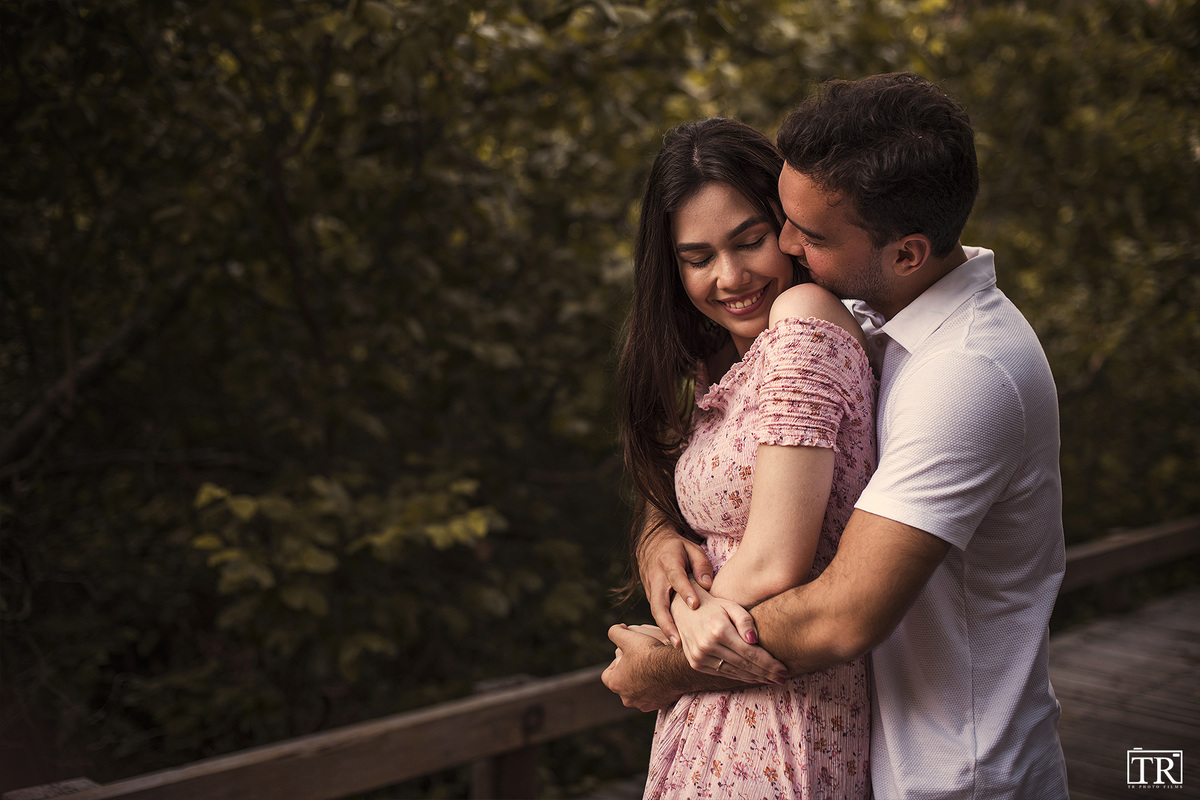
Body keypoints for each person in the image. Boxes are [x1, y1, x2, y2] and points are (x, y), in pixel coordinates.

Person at [603, 73, 1071, 800]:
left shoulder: (964, 372)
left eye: (804, 233)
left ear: (907, 253)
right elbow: (732, 461)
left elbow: (843, 614)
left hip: (955, 774)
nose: (787, 245)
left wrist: (658, 667)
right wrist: (659, 532)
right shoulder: (884, 317)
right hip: (864, 747)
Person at [613, 117, 877, 798]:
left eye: (749, 241)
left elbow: (775, 560)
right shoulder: (726, 361)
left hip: (782, 705)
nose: (729, 277)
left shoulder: (803, 318)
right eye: (697, 257)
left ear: (789, 229)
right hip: (722, 695)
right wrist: (656, 537)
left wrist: (666, 659)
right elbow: (690, 485)